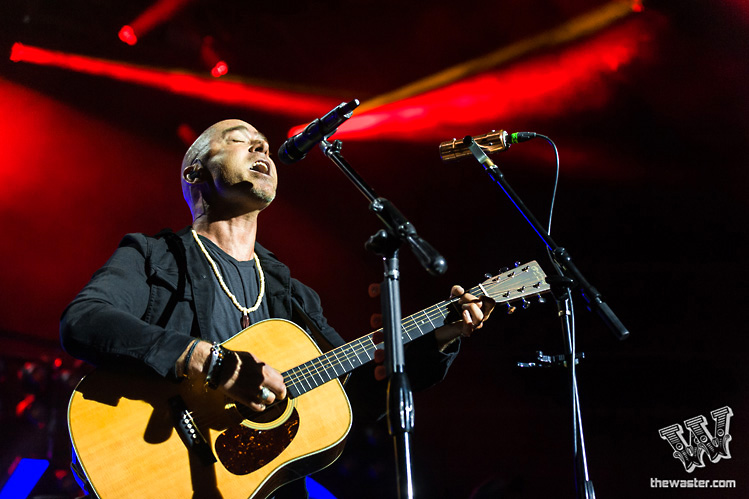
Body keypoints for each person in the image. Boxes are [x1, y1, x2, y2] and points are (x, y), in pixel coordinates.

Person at [60, 119, 494, 498]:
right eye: (238, 140)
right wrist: (207, 361)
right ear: (195, 172)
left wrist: (441, 336)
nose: (260, 147)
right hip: (155, 467)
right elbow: (83, 319)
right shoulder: (155, 256)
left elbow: (350, 398)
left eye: (264, 145)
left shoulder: (293, 295)